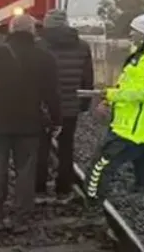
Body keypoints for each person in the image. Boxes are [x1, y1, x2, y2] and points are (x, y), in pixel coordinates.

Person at [85, 13, 144, 239]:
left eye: (135, 31)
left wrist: (115, 95)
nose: (131, 35)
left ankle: (93, 215)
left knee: (99, 168)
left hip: (134, 130)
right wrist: (111, 98)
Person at [0, 14, 61, 232]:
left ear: (10, 29)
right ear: (32, 31)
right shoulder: (44, 57)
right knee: (26, 171)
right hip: (29, 123)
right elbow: (52, 94)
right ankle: (21, 218)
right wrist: (56, 119)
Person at [35, 10, 94, 202]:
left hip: (44, 106)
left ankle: (39, 190)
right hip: (70, 105)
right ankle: (63, 189)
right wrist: (84, 104)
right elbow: (87, 78)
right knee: (66, 147)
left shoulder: (39, 45)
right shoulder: (82, 46)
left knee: (40, 148)